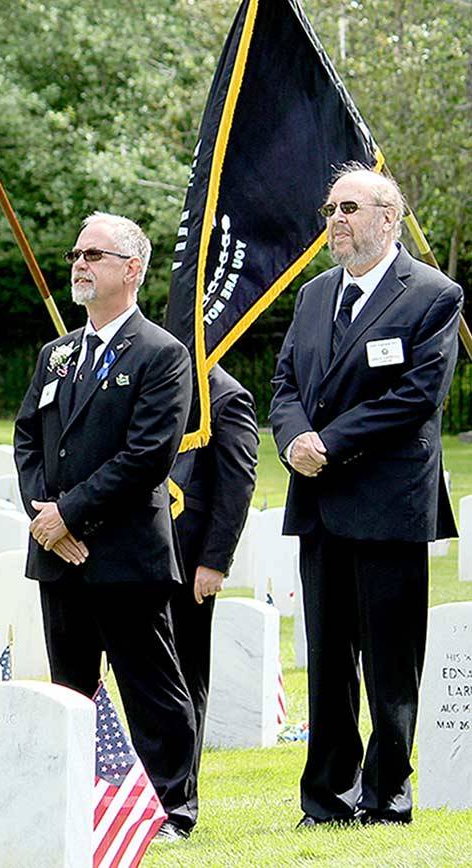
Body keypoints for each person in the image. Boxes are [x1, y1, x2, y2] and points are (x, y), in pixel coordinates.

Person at [270, 165, 462, 829]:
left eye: (348, 208)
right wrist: (295, 439)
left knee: (389, 666)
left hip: (388, 504)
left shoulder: (432, 295)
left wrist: (328, 442)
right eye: (329, 210)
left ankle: (386, 798)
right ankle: (326, 800)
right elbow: (285, 383)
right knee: (326, 663)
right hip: (320, 503)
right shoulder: (316, 295)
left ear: (388, 217)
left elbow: (414, 398)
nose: (336, 221)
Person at [13, 211, 197, 841]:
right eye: (75, 255)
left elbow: (147, 455)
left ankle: (171, 809)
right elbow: (28, 441)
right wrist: (45, 517)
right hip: (57, 553)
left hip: (122, 552)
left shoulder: (161, 354)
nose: (80, 265)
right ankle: (78, 802)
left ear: (132, 269)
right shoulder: (57, 353)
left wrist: (70, 512)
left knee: (150, 689)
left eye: (94, 254)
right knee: (70, 687)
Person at [167, 364, 259, 825]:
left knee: (184, 677)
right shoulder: (160, 379)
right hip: (141, 556)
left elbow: (237, 484)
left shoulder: (228, 397)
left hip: (190, 562)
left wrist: (215, 561)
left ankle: (181, 789)